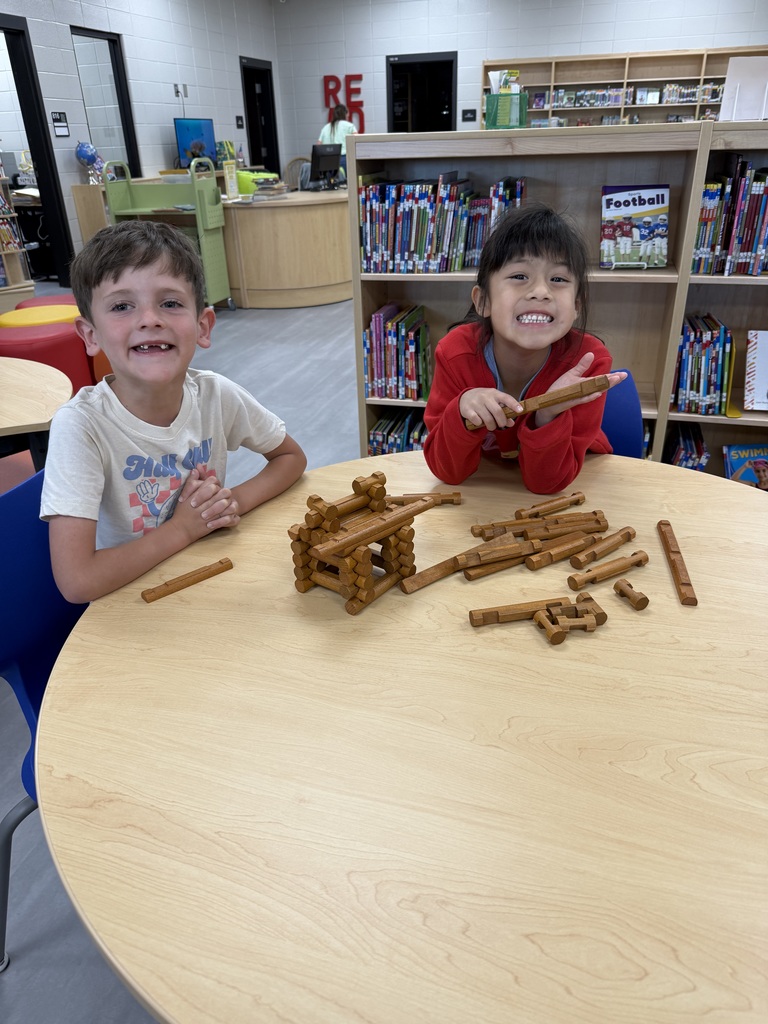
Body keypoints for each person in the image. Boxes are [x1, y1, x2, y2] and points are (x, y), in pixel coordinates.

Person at [41, 220, 307, 604]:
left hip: (207, 580)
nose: (150, 319)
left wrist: (227, 504)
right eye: (121, 306)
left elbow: (290, 458)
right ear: (91, 335)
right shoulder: (81, 426)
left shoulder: (216, 393)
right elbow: (78, 581)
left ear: (202, 326)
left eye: (170, 303)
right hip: (131, 601)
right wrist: (184, 529)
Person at [423, 203, 626, 494]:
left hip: (575, 482)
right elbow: (447, 472)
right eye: (520, 276)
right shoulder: (455, 353)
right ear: (483, 301)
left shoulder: (588, 362)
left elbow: (548, 485)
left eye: (558, 279)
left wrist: (549, 413)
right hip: (488, 485)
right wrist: (462, 409)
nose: (541, 292)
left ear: (576, 306)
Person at [318, 104, 357, 177]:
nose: (348, 115)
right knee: (346, 182)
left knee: (331, 182)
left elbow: (318, 147)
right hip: (345, 160)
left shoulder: (325, 128)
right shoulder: (350, 126)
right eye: (348, 113)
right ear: (345, 114)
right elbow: (357, 143)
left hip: (328, 161)